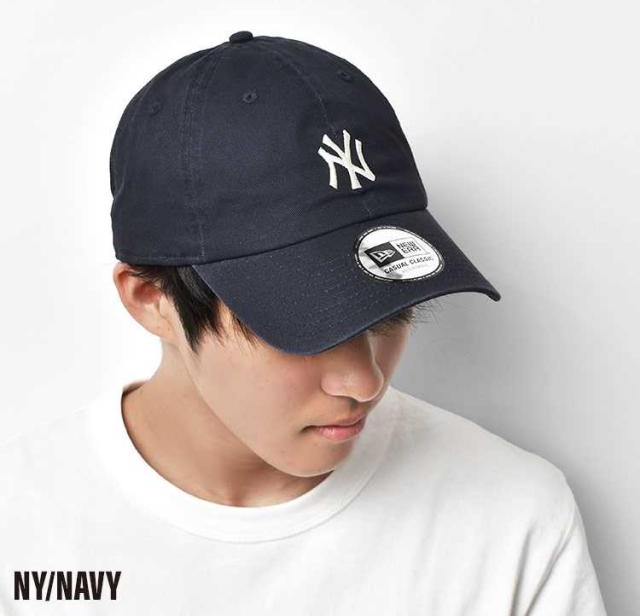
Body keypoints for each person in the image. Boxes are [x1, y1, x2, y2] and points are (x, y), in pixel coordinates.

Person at [0, 31, 607, 614]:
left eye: (391, 311)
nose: (366, 381)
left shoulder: (508, 519)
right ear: (151, 298)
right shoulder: (22, 527)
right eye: (304, 321)